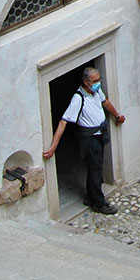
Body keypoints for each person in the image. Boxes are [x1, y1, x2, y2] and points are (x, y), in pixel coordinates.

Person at [43, 66, 125, 214]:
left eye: (99, 79)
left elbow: (105, 102)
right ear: (86, 82)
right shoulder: (78, 98)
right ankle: (99, 203)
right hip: (90, 139)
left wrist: (117, 116)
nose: (98, 83)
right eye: (95, 81)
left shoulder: (96, 91)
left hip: (99, 134)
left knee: (95, 167)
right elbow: (64, 122)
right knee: (95, 169)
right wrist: (53, 147)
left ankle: (90, 196)